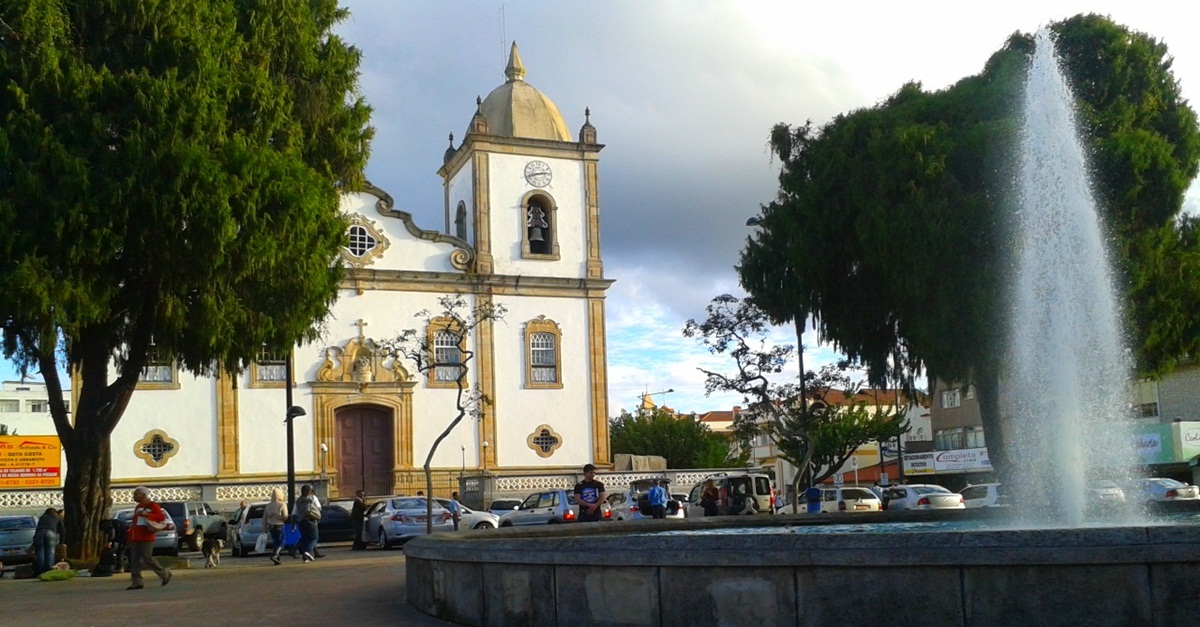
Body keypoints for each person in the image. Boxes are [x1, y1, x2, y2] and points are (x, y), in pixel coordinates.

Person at [127, 486, 172, 590]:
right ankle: (136, 581)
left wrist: (147, 514)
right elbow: (135, 522)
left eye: (136, 494)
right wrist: (130, 536)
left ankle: (164, 573)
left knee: (147, 558)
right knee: (134, 560)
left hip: (147, 536)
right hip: (136, 536)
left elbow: (161, 517)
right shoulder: (138, 507)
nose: (134, 497)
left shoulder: (153, 505)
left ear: (143, 495)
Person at [292, 485, 322, 562]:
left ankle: (305, 557)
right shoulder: (312, 498)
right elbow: (319, 507)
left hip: (301, 521)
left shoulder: (298, 501)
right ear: (309, 491)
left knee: (305, 538)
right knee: (314, 538)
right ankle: (308, 552)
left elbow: (294, 513)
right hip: (311, 520)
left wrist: (293, 524)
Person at [262, 487, 289, 565]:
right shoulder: (282, 504)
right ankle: (275, 555)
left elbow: (264, 518)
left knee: (275, 542)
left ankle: (277, 559)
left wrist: (264, 529)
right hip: (279, 525)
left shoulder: (268, 505)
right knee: (281, 542)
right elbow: (285, 517)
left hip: (271, 526)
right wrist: (281, 517)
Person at [32, 507, 62, 575]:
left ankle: (39, 570)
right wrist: (61, 542)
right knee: (50, 551)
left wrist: (34, 542)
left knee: (40, 552)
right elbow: (62, 530)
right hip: (50, 533)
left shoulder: (42, 517)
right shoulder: (57, 517)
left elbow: (37, 529)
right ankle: (49, 569)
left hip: (40, 533)